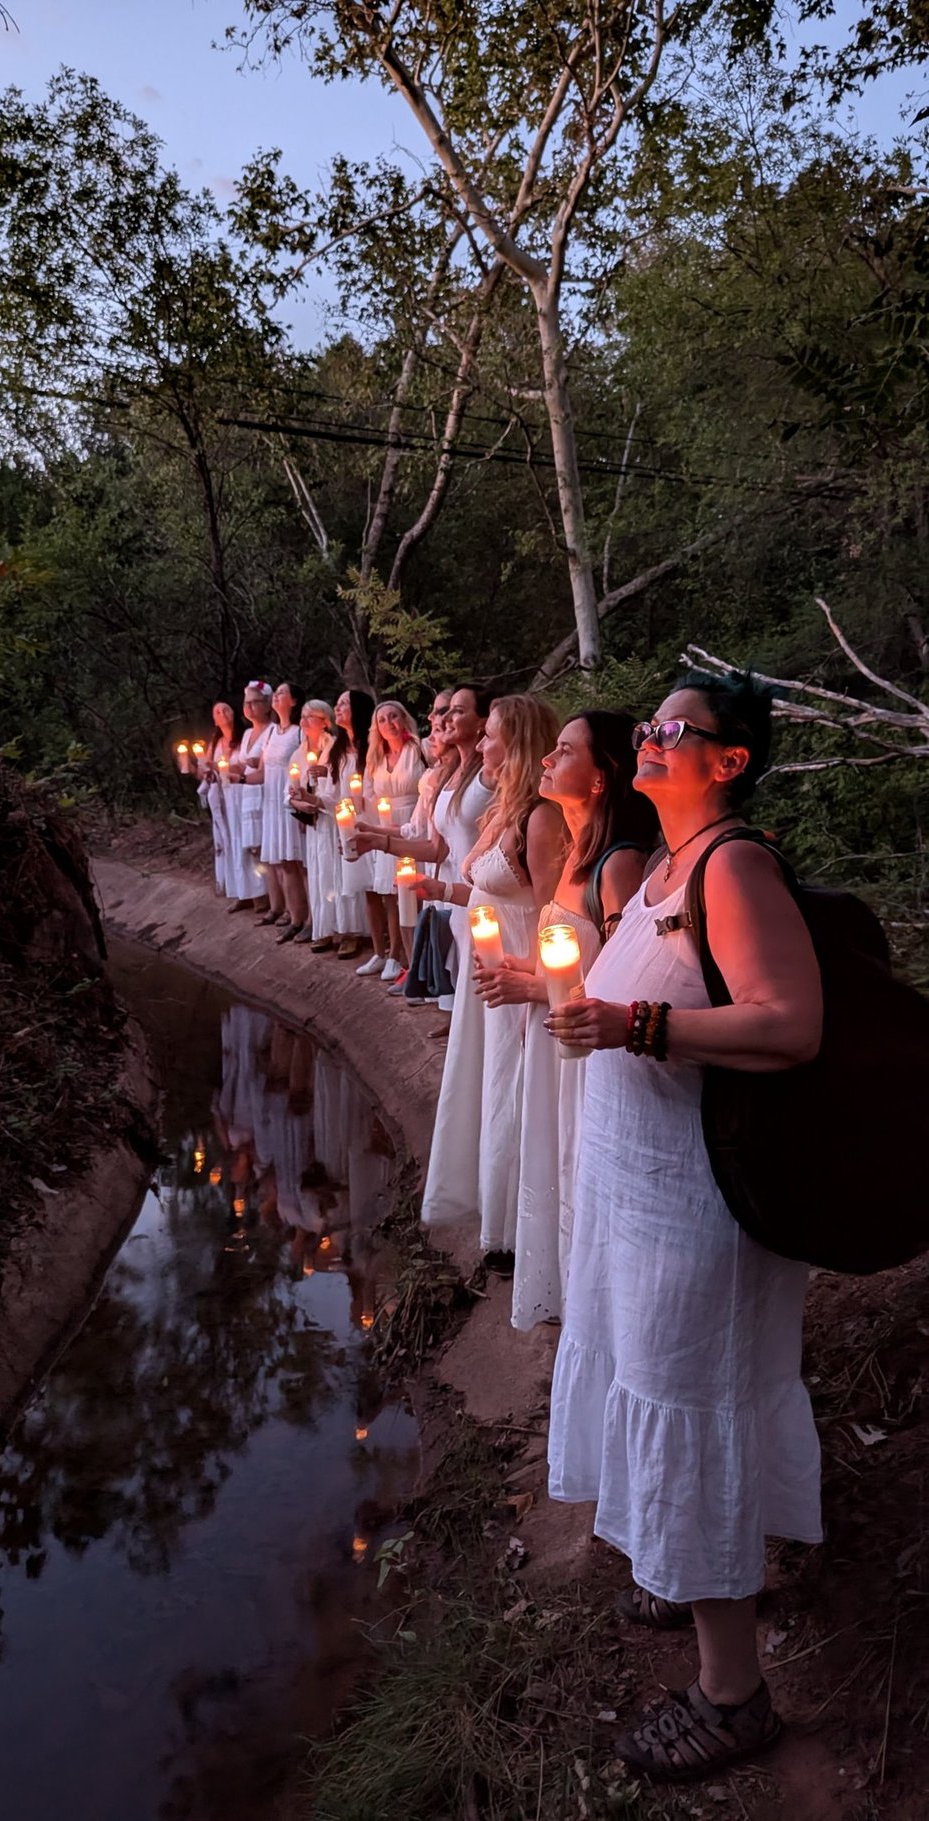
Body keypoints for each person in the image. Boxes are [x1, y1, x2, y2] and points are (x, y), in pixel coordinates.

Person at [545, 671, 823, 1781]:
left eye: (676, 729)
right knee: (652, 1389)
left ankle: (733, 1694)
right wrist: (543, 986)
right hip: (636, 1197)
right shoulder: (654, 870)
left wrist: (635, 1022)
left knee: (692, 1411)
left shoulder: (732, 864)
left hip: (701, 1210)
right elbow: (633, 1003)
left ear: (728, 761)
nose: (651, 738)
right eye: (650, 725)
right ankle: (677, 1570)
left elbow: (788, 1025)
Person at [477, 712, 657, 1330]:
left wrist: (527, 984)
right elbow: (569, 958)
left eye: (563, 751)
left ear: (601, 777)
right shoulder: (578, 850)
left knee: (576, 1164)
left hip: (587, 1054)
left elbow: (615, 981)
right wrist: (513, 967)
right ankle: (563, 1287)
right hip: (554, 1040)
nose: (547, 760)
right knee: (551, 1160)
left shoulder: (618, 865)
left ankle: (599, 1308)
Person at [420, 694, 564, 1272]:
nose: (481, 743)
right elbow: (485, 887)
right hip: (489, 971)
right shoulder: (504, 808)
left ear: (518, 742)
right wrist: (447, 896)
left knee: (515, 1090)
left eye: (491, 735)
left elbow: (559, 912)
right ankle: (495, 1218)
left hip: (520, 976)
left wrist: (535, 980)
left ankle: (519, 1233)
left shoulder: (543, 817)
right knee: (488, 1084)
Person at [360, 684, 494, 1010]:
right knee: (459, 976)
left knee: (480, 989)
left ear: (482, 723)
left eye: (455, 711)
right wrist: (381, 842)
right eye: (441, 713)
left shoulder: (489, 774)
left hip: (481, 894)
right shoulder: (447, 774)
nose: (442, 719)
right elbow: (437, 848)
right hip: (455, 890)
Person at [355, 701, 425, 983]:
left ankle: (416, 959)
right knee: (390, 894)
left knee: (415, 892)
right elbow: (369, 794)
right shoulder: (376, 757)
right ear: (377, 728)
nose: (389, 723)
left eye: (393, 716)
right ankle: (394, 955)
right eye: (382, 720)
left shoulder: (419, 749)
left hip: (414, 819)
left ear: (404, 719)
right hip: (386, 826)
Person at [242, 681, 310, 938]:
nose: (276, 696)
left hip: (291, 802)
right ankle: (295, 917)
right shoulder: (272, 733)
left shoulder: (298, 732)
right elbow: (262, 773)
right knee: (283, 863)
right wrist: (236, 778)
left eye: (282, 693)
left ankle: (310, 920)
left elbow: (306, 767)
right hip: (272, 802)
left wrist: (305, 805)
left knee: (299, 863)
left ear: (292, 701)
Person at [288, 698, 339, 949]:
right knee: (317, 872)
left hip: (331, 821)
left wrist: (325, 775)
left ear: (325, 722)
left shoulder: (335, 748)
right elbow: (289, 790)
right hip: (314, 823)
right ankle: (322, 927)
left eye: (310, 716)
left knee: (333, 872)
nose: (304, 721)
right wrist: (297, 802)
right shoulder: (298, 753)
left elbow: (343, 784)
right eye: (303, 716)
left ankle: (342, 929)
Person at [330, 689, 375, 961]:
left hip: (371, 819)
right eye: (337, 703)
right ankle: (358, 932)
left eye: (344, 704)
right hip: (345, 821)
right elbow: (333, 792)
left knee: (378, 883)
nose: (338, 708)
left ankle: (382, 938)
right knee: (356, 881)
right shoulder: (335, 750)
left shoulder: (369, 747)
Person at [227, 680, 275, 914]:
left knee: (267, 848)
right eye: (247, 703)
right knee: (253, 848)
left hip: (264, 793)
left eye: (255, 702)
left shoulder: (272, 731)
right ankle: (259, 893)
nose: (250, 707)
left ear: (267, 705)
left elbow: (268, 764)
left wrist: (255, 766)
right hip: (247, 793)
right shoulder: (247, 734)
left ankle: (274, 899)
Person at [198, 701, 238, 896]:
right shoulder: (214, 744)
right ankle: (230, 885)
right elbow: (204, 772)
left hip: (237, 794)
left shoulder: (243, 738)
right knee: (224, 840)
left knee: (238, 840)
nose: (221, 713)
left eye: (225, 709)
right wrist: (201, 767)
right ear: (214, 719)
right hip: (220, 796)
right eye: (217, 711)